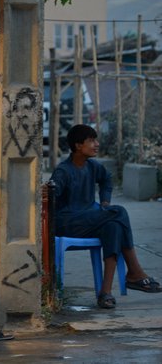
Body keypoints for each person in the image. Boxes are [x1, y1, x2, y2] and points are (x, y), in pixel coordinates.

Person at [49, 124, 161, 309]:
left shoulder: (92, 166)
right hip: (67, 223)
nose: (97, 144)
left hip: (88, 220)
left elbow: (107, 180)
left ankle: (105, 292)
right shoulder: (63, 171)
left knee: (113, 226)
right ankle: (135, 272)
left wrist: (105, 202)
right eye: (91, 140)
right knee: (120, 212)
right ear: (78, 145)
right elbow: (51, 196)